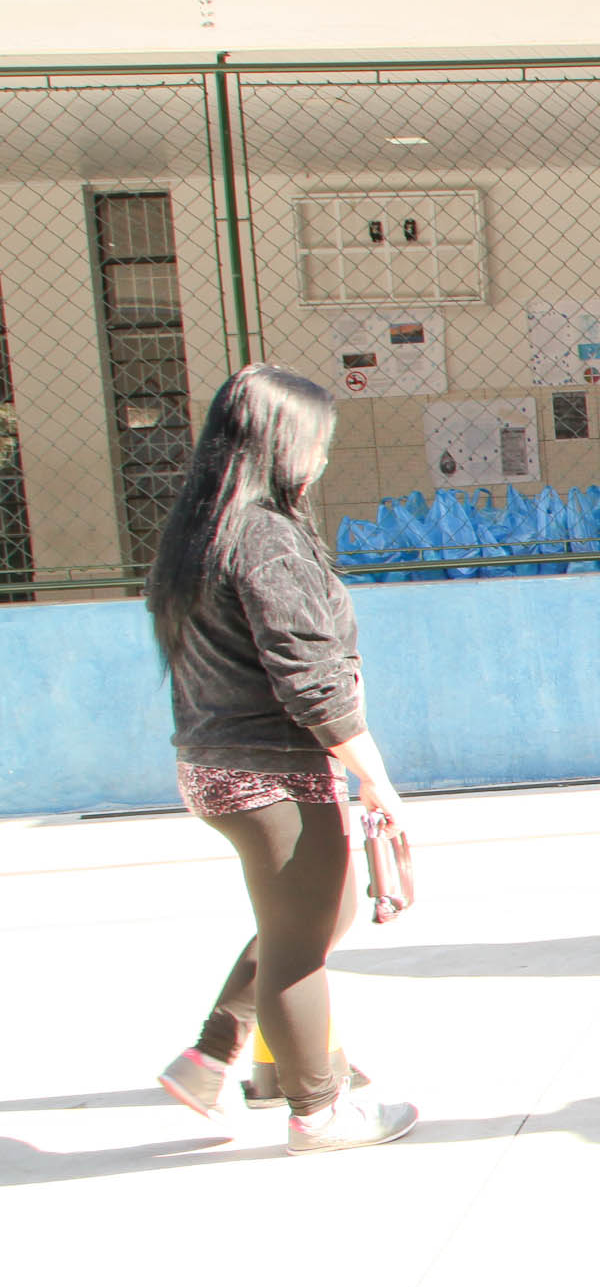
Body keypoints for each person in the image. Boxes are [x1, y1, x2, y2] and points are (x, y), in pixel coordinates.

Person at [146, 366, 419, 1154]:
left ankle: (227, 1059)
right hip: (269, 771)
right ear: (277, 444)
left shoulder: (205, 528)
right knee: (304, 940)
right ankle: (317, 1109)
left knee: (305, 919)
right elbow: (311, 679)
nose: (324, 456)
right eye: (318, 441)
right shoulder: (262, 536)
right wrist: (379, 779)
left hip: (216, 763)